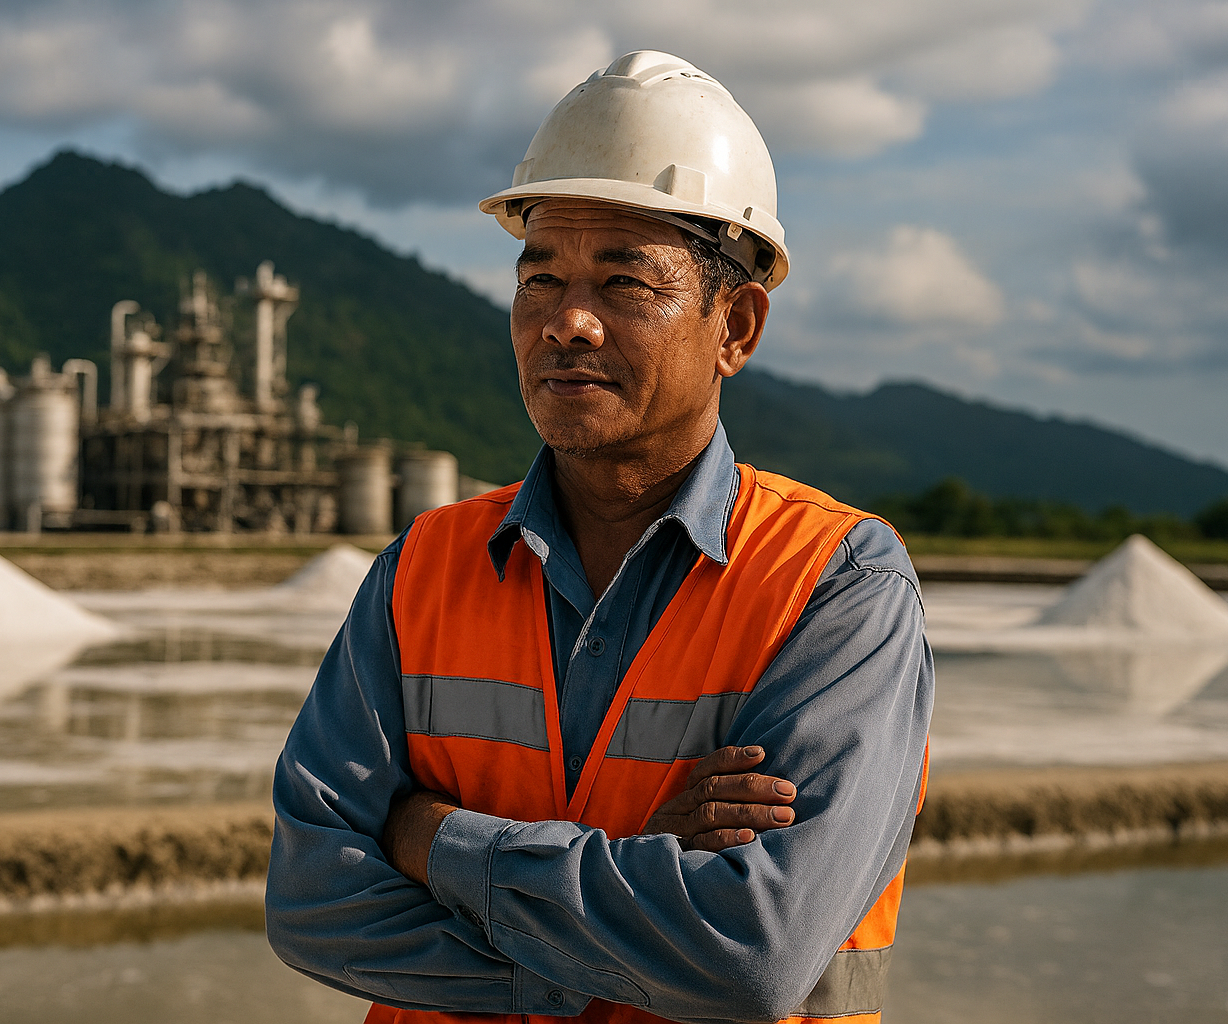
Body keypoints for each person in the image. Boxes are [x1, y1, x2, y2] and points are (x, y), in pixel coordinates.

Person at [267, 50, 933, 1024]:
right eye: (540, 280)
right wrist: (622, 900)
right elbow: (313, 901)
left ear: (736, 325)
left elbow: (751, 954)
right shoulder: (424, 569)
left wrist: (429, 834)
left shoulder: (835, 586)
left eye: (624, 283)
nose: (565, 323)